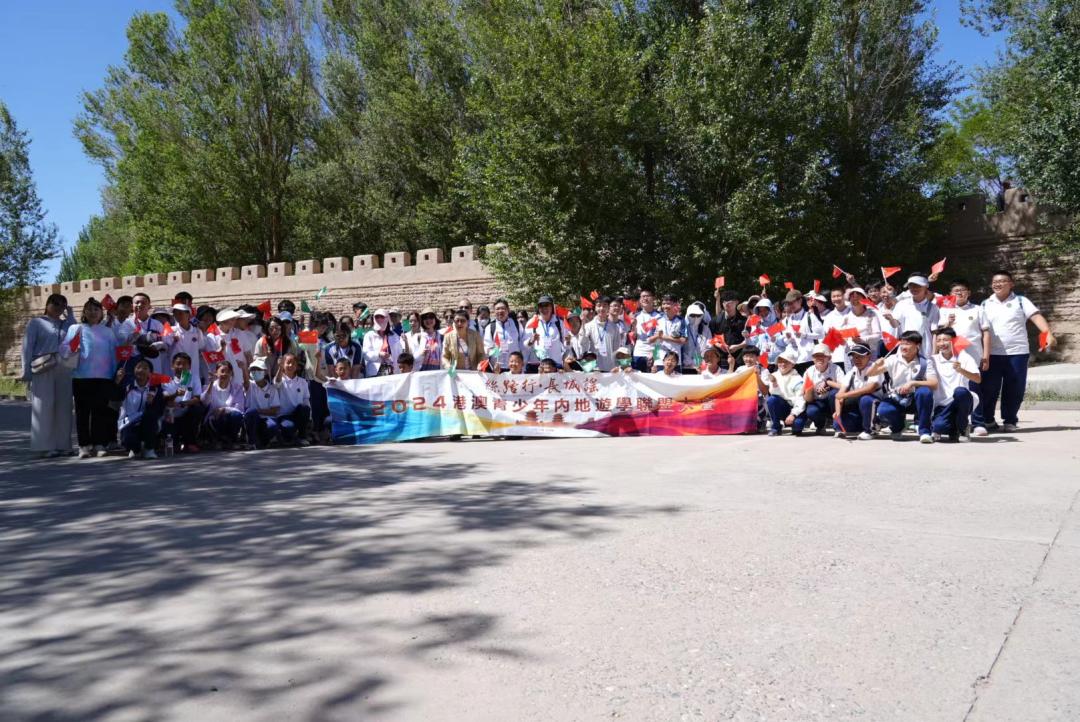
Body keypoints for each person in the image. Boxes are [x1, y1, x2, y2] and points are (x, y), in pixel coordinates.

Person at [979, 270, 1056, 433]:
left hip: (1017, 353)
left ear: (1011, 284)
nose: (998, 284)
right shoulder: (985, 304)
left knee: (1014, 388)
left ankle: (1010, 420)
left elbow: (1036, 317)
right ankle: (988, 420)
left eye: (1002, 281)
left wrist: (1048, 333)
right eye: (995, 282)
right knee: (989, 388)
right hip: (992, 353)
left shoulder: (1021, 301)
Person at [62, 298, 119, 458]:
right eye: (89, 309)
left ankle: (99, 443)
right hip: (81, 377)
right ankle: (84, 445)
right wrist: (71, 348)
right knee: (82, 412)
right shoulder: (76, 328)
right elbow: (64, 348)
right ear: (84, 312)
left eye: (96, 310)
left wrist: (115, 374)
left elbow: (114, 354)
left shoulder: (107, 332)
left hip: (103, 377)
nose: (93, 312)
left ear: (101, 313)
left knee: (100, 412)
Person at [22, 293, 76, 457]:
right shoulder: (36, 323)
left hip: (64, 367)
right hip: (43, 366)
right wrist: (26, 371)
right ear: (48, 304)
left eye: (63, 304)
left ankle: (63, 445)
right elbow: (27, 347)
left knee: (64, 407)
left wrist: (70, 316)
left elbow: (74, 339)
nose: (59, 307)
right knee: (43, 406)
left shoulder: (67, 323)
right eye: (56, 303)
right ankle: (44, 447)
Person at [868, 330, 939, 443]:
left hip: (915, 400)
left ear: (917, 345)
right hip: (896, 398)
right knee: (884, 410)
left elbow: (934, 383)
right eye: (902, 343)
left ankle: (925, 432)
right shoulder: (893, 359)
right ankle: (898, 427)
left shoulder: (925, 362)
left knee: (925, 392)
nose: (903, 347)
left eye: (907, 344)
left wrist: (912, 383)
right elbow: (870, 374)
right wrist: (876, 364)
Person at [930, 328, 980, 442]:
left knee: (960, 391)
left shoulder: (964, 357)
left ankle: (963, 429)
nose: (942, 343)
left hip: (961, 402)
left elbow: (977, 379)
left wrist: (961, 370)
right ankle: (954, 429)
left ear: (954, 341)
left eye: (945, 340)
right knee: (939, 427)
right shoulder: (933, 360)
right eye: (939, 340)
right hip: (942, 405)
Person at [116, 359, 166, 459]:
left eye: (145, 368)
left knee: (150, 416)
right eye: (138, 367)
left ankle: (149, 448)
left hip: (148, 423)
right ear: (134, 370)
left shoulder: (155, 388)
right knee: (129, 440)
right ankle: (135, 449)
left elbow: (159, 410)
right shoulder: (127, 385)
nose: (141, 370)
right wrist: (117, 381)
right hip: (129, 421)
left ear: (150, 373)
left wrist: (151, 403)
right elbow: (115, 397)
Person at [832, 343, 883, 440]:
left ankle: (871, 430)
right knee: (838, 424)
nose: (857, 360)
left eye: (860, 356)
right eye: (855, 357)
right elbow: (839, 394)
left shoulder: (875, 368)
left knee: (866, 399)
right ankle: (858, 427)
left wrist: (845, 395)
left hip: (875, 405)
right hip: (859, 408)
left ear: (869, 356)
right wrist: (838, 413)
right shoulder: (852, 371)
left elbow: (870, 388)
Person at [883, 274, 939, 358]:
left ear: (926, 287)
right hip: (905, 348)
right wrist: (891, 319)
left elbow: (934, 332)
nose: (914, 288)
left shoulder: (933, 307)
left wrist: (934, 354)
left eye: (917, 286)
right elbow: (895, 325)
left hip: (925, 350)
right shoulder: (902, 304)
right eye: (911, 286)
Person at [162, 352, 205, 454]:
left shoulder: (193, 378)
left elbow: (197, 398)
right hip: (171, 415)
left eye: (185, 364)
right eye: (178, 363)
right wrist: (175, 395)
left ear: (189, 366)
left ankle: (190, 443)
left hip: (186, 412)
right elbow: (165, 398)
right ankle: (173, 442)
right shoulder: (166, 380)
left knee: (197, 409)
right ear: (173, 366)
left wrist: (183, 403)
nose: (181, 366)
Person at [201, 360, 248, 449]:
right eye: (222, 371)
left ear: (231, 374)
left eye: (228, 372)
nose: (225, 374)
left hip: (230, 418)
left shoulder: (237, 388)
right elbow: (204, 402)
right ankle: (218, 440)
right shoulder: (208, 387)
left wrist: (224, 409)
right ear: (216, 373)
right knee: (218, 418)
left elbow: (239, 408)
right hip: (214, 419)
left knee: (236, 415)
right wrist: (211, 383)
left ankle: (232, 440)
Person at [764, 348, 806, 436]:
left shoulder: (798, 379)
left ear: (792, 364)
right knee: (771, 400)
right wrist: (774, 383)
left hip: (795, 408)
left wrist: (793, 414)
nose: (783, 364)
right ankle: (776, 427)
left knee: (797, 427)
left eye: (786, 362)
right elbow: (774, 395)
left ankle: (793, 424)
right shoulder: (773, 376)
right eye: (780, 361)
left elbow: (801, 400)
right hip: (782, 406)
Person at [802, 343, 841, 435]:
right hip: (817, 401)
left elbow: (844, 387)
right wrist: (811, 390)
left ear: (829, 358)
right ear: (813, 358)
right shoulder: (809, 372)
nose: (819, 358)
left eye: (823, 356)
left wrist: (828, 383)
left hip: (832, 401)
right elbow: (807, 399)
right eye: (816, 356)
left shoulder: (836, 369)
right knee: (811, 411)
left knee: (834, 393)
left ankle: (837, 425)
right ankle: (820, 425)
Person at [778, 290, 820, 373]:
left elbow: (820, 334)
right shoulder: (787, 320)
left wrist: (805, 335)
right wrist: (789, 339)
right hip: (793, 361)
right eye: (789, 303)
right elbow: (786, 341)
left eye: (793, 302)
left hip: (809, 359)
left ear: (800, 301)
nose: (791, 305)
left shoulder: (809, 316)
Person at [243, 358, 281, 449]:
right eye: (253, 370)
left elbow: (274, 410)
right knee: (251, 412)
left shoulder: (272, 389)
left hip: (266, 418)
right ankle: (251, 442)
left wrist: (258, 411)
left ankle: (264, 441)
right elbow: (246, 381)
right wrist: (243, 369)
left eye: (258, 369)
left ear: (265, 372)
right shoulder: (250, 385)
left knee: (272, 426)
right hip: (252, 418)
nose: (255, 372)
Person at [525, 295, 569, 371]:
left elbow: (566, 344)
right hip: (539, 365)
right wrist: (531, 341)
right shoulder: (532, 322)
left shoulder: (559, 323)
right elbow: (524, 345)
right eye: (541, 306)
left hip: (556, 364)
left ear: (552, 307)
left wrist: (568, 342)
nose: (544, 308)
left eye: (546, 305)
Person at [276, 353, 312, 446]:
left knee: (305, 408)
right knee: (288, 428)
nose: (291, 365)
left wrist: (308, 417)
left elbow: (306, 399)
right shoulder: (280, 379)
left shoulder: (303, 382)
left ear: (297, 366)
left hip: (298, 413)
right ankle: (285, 436)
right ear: (283, 364)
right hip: (284, 415)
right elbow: (276, 383)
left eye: (293, 363)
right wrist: (280, 368)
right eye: (288, 362)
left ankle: (302, 436)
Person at [581, 296, 624, 371]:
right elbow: (583, 345)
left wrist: (617, 366)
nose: (601, 308)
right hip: (594, 367)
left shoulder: (614, 327)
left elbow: (616, 349)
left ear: (608, 308)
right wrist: (582, 325)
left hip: (610, 368)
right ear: (595, 308)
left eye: (604, 306)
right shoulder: (588, 326)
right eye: (599, 306)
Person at [842, 288, 882, 361]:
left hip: (868, 353)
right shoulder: (846, 317)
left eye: (858, 297)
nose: (855, 300)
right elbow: (843, 336)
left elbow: (878, 335)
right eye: (852, 298)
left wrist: (861, 339)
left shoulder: (871, 314)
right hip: (851, 354)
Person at [484, 299, 523, 372]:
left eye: (503, 308)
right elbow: (487, 348)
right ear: (494, 311)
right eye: (497, 309)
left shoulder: (516, 324)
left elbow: (522, 345)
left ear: (508, 310)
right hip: (497, 368)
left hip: (514, 368)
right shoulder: (490, 327)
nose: (500, 311)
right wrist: (495, 351)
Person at [362, 308, 402, 376]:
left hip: (392, 371)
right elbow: (366, 354)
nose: (379, 319)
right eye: (377, 317)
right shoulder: (369, 335)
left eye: (382, 317)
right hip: (374, 372)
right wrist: (379, 354)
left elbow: (399, 353)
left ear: (387, 319)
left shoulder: (394, 335)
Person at [631, 288, 662, 372]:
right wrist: (633, 327)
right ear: (640, 300)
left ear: (653, 298)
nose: (645, 298)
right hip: (639, 352)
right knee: (638, 377)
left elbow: (661, 336)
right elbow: (634, 337)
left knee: (655, 377)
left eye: (648, 296)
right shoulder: (635, 316)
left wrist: (654, 354)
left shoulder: (660, 316)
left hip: (656, 351)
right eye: (643, 296)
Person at [822, 287, 850, 370]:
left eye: (838, 296)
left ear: (844, 296)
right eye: (833, 296)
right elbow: (827, 337)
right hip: (836, 356)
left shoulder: (853, 311)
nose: (836, 299)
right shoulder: (829, 317)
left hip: (853, 354)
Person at [682, 302, 711, 374]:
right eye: (693, 315)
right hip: (685, 365)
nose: (695, 318)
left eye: (698, 315)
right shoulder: (683, 328)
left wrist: (702, 360)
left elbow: (709, 345)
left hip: (702, 366)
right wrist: (689, 361)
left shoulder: (705, 329)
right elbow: (680, 346)